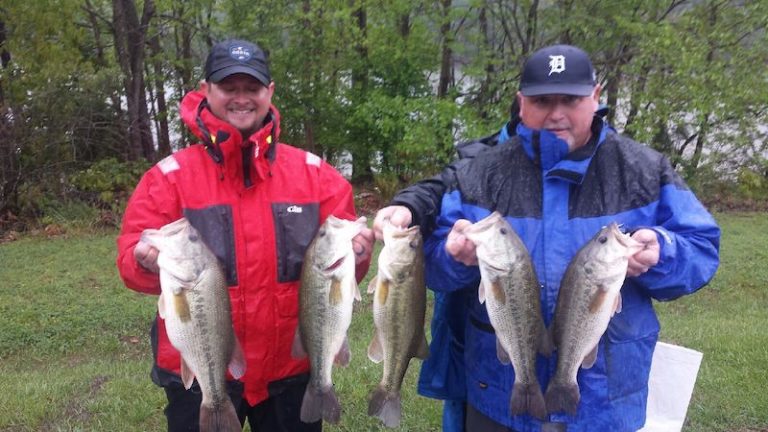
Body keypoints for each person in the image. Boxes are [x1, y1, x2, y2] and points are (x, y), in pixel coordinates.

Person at [373, 44, 720, 432]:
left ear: (595, 97)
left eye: (570, 99)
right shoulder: (480, 173)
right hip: (497, 392)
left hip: (604, 398)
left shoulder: (643, 168)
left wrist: (665, 252)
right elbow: (430, 266)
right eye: (542, 101)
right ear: (521, 103)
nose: (556, 113)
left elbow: (702, 248)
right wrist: (452, 257)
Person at [116, 38, 374, 432]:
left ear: (269, 93)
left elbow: (342, 276)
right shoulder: (167, 179)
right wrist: (142, 260)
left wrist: (360, 254)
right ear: (206, 91)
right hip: (202, 368)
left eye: (251, 88)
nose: (241, 98)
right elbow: (130, 265)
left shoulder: (317, 176)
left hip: (289, 370)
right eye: (228, 88)